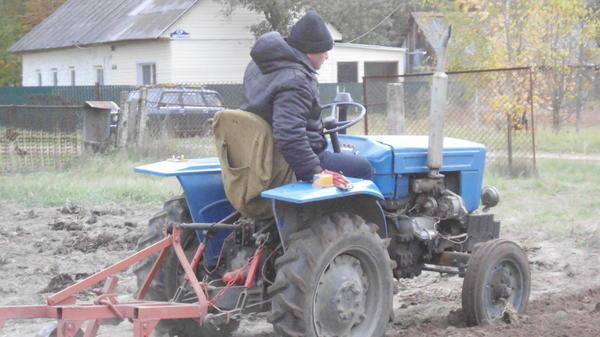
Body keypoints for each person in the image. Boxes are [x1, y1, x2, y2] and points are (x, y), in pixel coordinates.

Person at [240, 11, 372, 182]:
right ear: (311, 52)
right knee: (363, 168)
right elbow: (289, 134)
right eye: (324, 51)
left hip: (262, 152)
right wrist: (315, 174)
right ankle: (372, 208)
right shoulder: (296, 79)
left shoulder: (260, 65)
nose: (326, 56)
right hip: (291, 159)